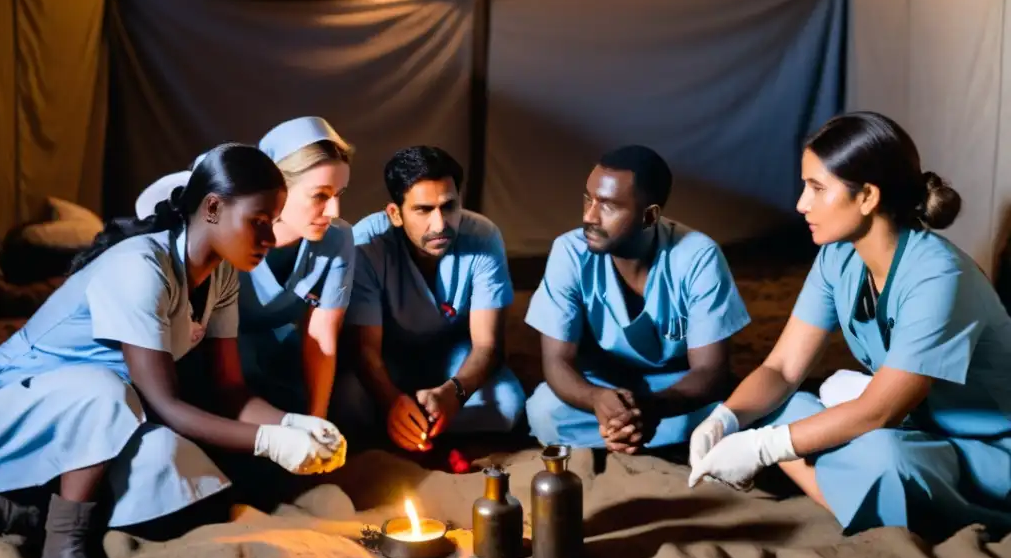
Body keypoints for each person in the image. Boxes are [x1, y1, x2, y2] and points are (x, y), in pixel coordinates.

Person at [0, 144, 345, 558]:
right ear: (213, 208)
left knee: (173, 467)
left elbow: (231, 389)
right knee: (106, 391)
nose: (269, 239)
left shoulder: (221, 276)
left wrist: (293, 422)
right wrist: (269, 442)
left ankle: (21, 514)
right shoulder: (140, 266)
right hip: (10, 406)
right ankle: (62, 553)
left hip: (100, 416)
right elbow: (164, 402)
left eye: (272, 223)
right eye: (259, 222)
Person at [688, 111, 1011, 540]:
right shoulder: (838, 255)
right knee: (778, 406)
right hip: (910, 424)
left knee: (884, 455)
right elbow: (782, 369)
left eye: (817, 188)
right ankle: (868, 498)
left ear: (867, 197)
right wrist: (724, 420)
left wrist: (761, 448)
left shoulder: (938, 277)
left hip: (981, 448)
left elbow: (881, 410)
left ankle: (867, 504)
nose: (802, 204)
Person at [523, 145, 751, 453]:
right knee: (543, 411)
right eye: (588, 199)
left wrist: (652, 408)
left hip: (672, 391)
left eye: (608, 206)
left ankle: (626, 434)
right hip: (603, 387)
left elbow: (710, 371)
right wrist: (596, 400)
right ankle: (634, 433)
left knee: (730, 410)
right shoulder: (569, 252)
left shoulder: (698, 256)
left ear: (649, 216)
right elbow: (556, 362)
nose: (590, 217)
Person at [135, 117, 355, 420]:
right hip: (211, 350)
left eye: (338, 195)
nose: (334, 212)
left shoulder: (337, 240)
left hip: (276, 355)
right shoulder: (225, 234)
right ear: (278, 187)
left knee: (346, 403)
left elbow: (321, 335)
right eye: (320, 196)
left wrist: (317, 420)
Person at [336, 145, 525, 451]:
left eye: (449, 207)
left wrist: (455, 394)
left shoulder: (483, 237)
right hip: (388, 359)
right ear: (395, 214)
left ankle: (416, 431)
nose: (440, 224)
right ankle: (410, 426)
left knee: (507, 405)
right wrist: (392, 402)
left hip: (455, 359)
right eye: (423, 210)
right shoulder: (366, 244)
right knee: (348, 403)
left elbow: (488, 346)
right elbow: (365, 351)